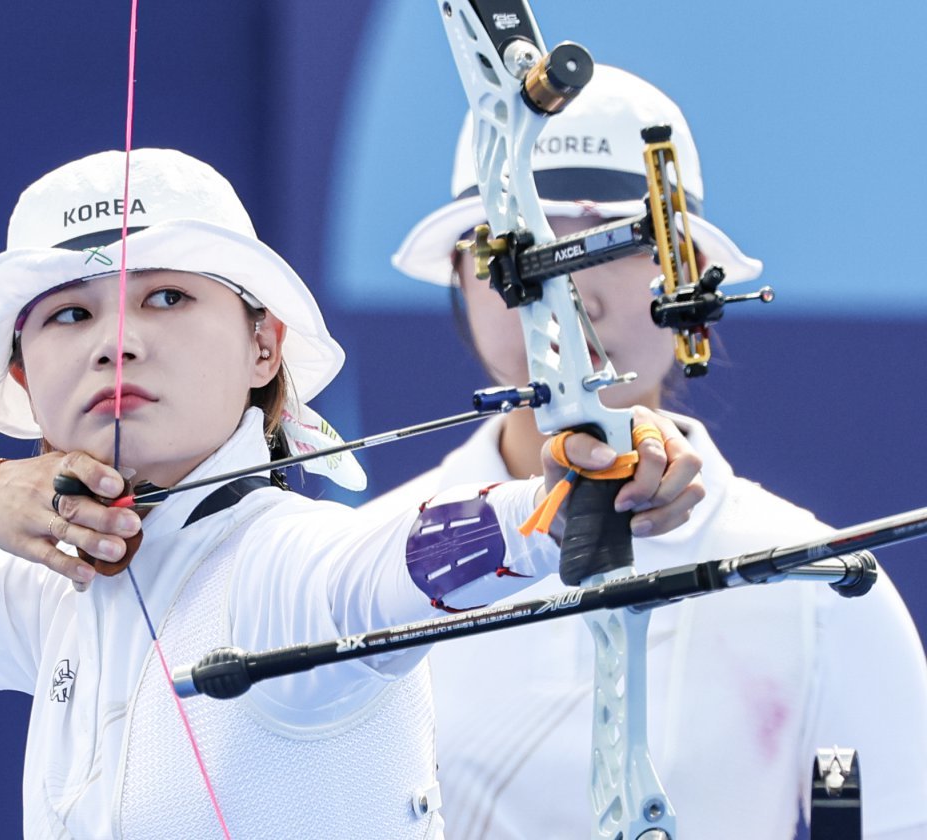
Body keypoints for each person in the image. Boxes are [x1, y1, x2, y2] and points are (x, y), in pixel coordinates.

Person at [0, 148, 701, 838]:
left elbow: (403, 559)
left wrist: (570, 499)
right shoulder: (50, 585)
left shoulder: (288, 562)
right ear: (27, 376)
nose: (117, 340)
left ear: (262, 346)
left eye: (166, 297)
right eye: (70, 313)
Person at [371, 66, 927, 839]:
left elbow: (875, 820)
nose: (570, 291)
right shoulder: (367, 563)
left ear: (690, 279)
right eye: (523, 248)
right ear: (464, 278)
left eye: (620, 244)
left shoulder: (822, 582)